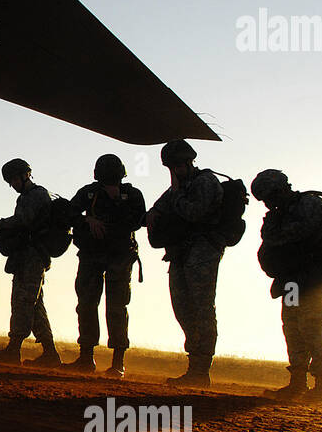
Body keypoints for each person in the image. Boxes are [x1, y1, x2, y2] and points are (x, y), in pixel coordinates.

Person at [251, 169, 322, 402]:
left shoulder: (310, 204)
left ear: (281, 189)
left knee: (312, 329)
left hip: (313, 280)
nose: (269, 204)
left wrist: (278, 234)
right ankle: (297, 383)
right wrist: (278, 234)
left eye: (270, 197)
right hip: (291, 282)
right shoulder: (279, 214)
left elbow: (296, 234)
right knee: (292, 328)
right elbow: (269, 238)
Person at [145, 140, 224, 387]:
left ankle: (201, 370)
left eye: (178, 165)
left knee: (202, 307)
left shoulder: (205, 182)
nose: (175, 170)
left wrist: (176, 194)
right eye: (171, 167)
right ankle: (194, 365)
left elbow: (194, 213)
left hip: (203, 252)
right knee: (182, 307)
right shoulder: (178, 188)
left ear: (188, 161)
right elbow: (155, 210)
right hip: (182, 253)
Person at [64, 155, 146, 378]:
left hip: (119, 257)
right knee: (87, 304)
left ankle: (117, 362)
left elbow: (138, 220)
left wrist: (117, 204)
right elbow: (69, 212)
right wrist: (87, 221)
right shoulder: (89, 193)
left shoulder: (132, 195)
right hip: (92, 255)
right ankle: (86, 357)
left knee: (116, 308)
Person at [0, 158, 64, 366]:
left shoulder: (36, 195)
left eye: (13, 180)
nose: (12, 185)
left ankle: (13, 349)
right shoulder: (28, 196)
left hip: (33, 256)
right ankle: (50, 354)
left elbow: (24, 221)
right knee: (35, 305)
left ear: (25, 175)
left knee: (23, 301)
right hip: (27, 256)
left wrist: (2, 224)